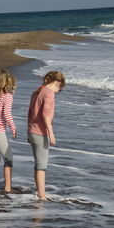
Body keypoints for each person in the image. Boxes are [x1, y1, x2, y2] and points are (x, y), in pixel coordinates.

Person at [27, 71, 65, 199]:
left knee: (38, 165)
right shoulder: (48, 93)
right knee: (41, 166)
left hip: (32, 131)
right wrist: (51, 134)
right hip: (40, 132)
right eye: (60, 89)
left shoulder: (37, 91)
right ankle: (41, 196)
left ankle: (40, 193)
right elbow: (45, 115)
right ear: (57, 82)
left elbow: (30, 112)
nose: (58, 92)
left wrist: (29, 131)